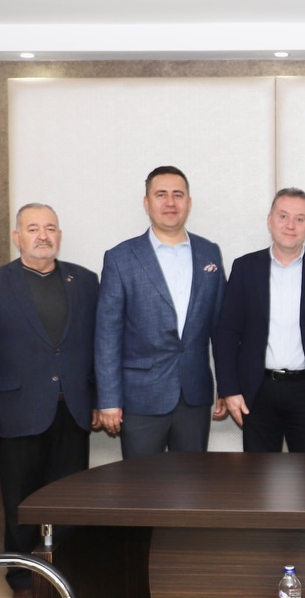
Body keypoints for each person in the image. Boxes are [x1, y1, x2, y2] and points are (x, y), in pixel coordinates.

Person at [0, 203, 100, 598]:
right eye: (33, 228)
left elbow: (99, 345)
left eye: (50, 228)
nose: (43, 235)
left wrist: (98, 398)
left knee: (69, 502)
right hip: (15, 412)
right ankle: (23, 582)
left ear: (60, 235)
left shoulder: (85, 281)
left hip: (72, 411)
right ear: (17, 237)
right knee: (21, 503)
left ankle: (64, 577)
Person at [95, 165, 226, 456]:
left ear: (189, 202)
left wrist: (226, 386)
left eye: (178, 195)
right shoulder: (120, 258)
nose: (170, 202)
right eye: (161, 194)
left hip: (194, 396)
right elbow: (107, 336)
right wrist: (109, 399)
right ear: (147, 202)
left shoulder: (209, 253)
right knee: (141, 482)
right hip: (140, 398)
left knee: (192, 481)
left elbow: (221, 329)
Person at [213, 188, 305, 452]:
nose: (290, 225)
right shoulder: (245, 268)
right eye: (283, 216)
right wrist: (229, 390)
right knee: (257, 473)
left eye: (300, 219)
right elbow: (227, 334)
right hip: (257, 391)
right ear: (270, 220)